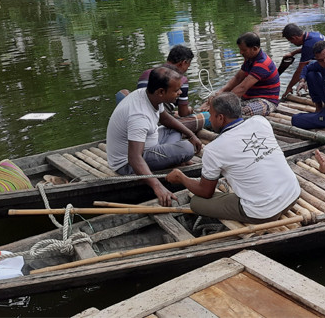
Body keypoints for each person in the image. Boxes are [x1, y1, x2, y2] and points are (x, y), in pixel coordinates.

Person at [166, 93, 300, 223]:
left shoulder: (213, 149)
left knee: (196, 202)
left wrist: (181, 178)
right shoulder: (260, 121)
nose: (210, 120)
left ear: (220, 118)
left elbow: (205, 192)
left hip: (264, 212)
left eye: (210, 115)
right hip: (293, 194)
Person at [105, 66, 203, 206]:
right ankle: (174, 158)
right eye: (176, 90)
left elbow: (165, 119)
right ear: (161, 92)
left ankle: (172, 158)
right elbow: (134, 158)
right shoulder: (139, 116)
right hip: (127, 164)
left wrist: (191, 134)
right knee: (186, 148)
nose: (180, 92)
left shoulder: (149, 96)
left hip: (148, 144)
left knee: (175, 130)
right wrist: (158, 187)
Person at [207, 32, 280, 117]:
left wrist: (222, 102)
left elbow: (243, 87)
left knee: (244, 111)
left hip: (265, 101)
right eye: (240, 49)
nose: (241, 52)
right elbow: (237, 78)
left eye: (244, 50)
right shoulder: (249, 59)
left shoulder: (263, 64)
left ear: (255, 48)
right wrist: (220, 92)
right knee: (213, 98)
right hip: (247, 99)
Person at [281, 23, 325, 97]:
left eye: (291, 42)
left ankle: (322, 95)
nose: (292, 43)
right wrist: (293, 53)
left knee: (310, 72)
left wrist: (289, 87)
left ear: (295, 38)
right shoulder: (312, 35)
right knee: (313, 65)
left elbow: (300, 70)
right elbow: (308, 48)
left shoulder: (308, 45)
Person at [131, 45, 195, 116]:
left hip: (138, 111)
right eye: (188, 66)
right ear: (183, 63)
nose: (186, 69)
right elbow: (183, 114)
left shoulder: (145, 74)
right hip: (158, 117)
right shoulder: (180, 79)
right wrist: (190, 110)